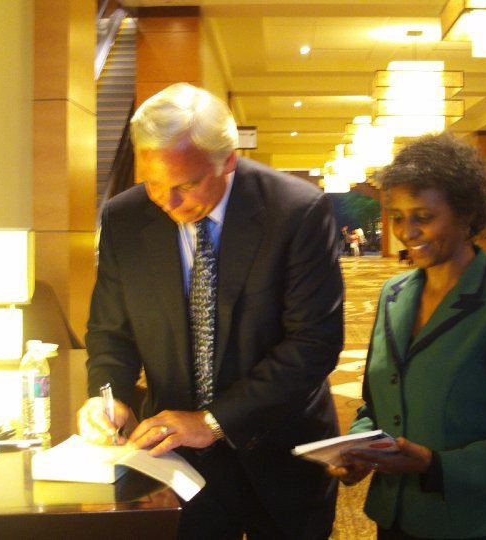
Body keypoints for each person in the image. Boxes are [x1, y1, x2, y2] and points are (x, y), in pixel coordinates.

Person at [78, 83, 344, 539]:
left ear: (229, 161)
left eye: (185, 185)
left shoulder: (296, 211)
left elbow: (313, 344)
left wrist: (214, 421)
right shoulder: (125, 217)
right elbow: (110, 331)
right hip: (176, 462)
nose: (168, 202)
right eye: (153, 183)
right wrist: (109, 398)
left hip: (279, 449)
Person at [329, 132, 486, 539]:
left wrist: (435, 466)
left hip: (475, 524)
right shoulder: (393, 294)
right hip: (395, 517)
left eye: (424, 216)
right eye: (398, 217)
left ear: (467, 215)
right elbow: (376, 404)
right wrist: (359, 447)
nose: (407, 232)